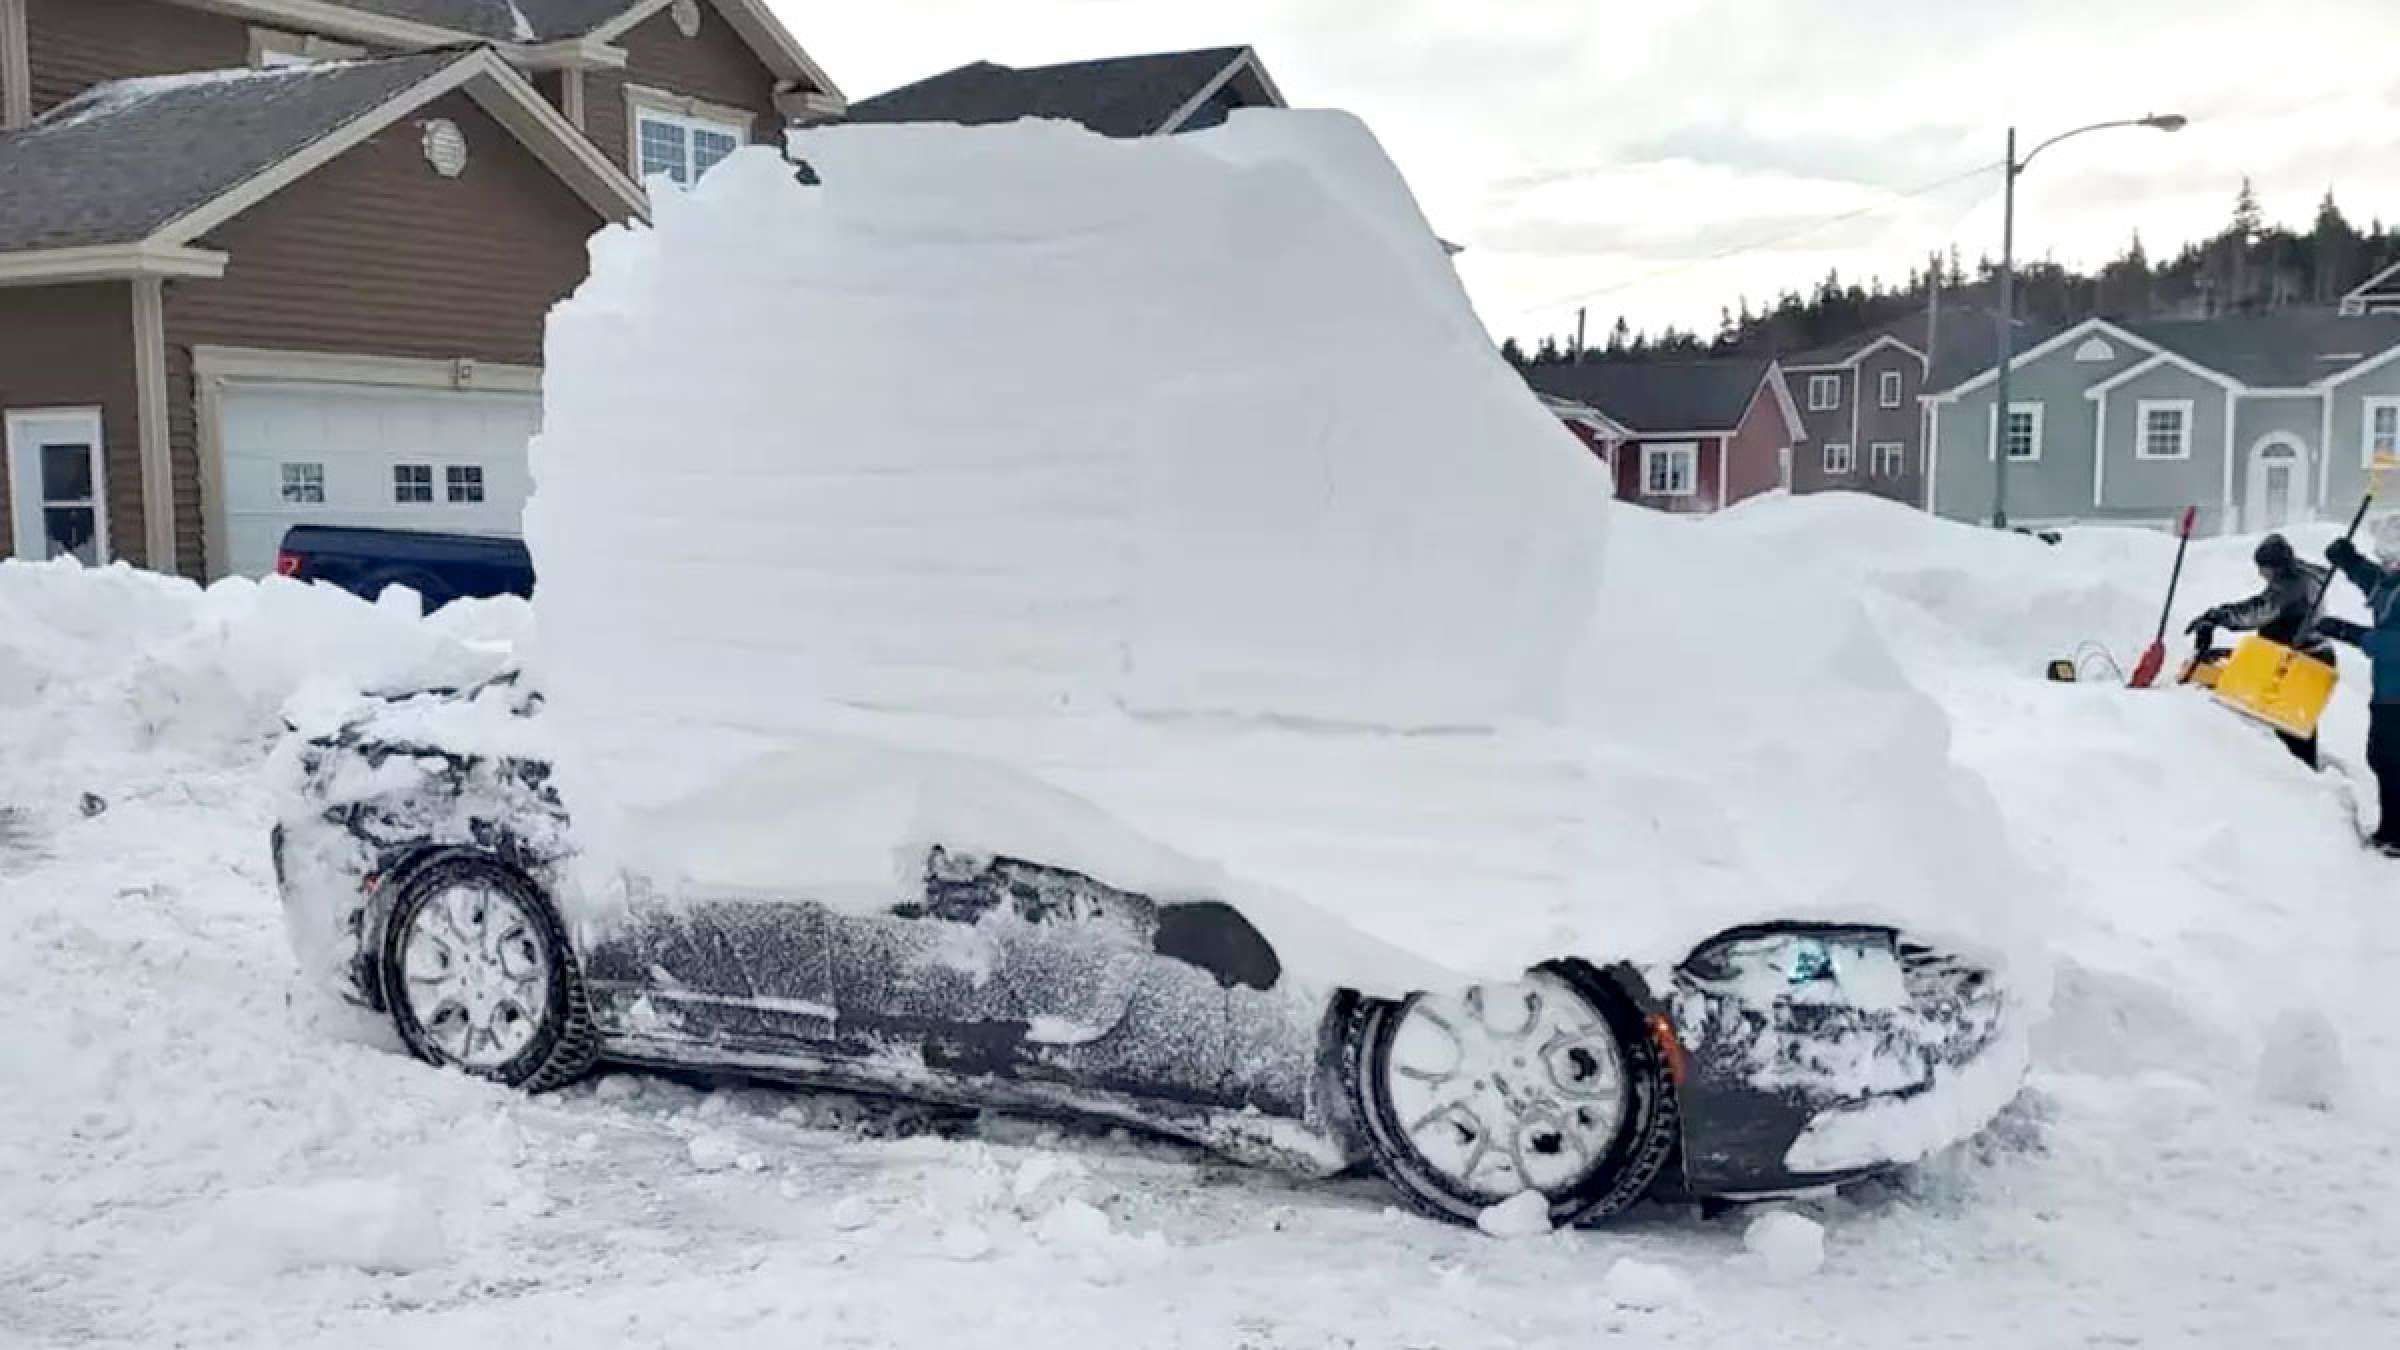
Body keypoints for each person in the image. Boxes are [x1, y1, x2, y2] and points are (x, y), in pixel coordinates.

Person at [2186, 533, 2335, 768]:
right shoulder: (2306, 576)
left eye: (2263, 568)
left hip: (2301, 662)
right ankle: (2303, 777)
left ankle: (2299, 786)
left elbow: (2258, 611)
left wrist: (2216, 617)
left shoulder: (2290, 585)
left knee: (2290, 734)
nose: (2261, 574)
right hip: (2310, 657)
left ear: (2275, 566)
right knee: (2295, 729)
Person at [2319, 524, 2400, 856]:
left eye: (2390, 559)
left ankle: (2396, 834)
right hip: (2387, 691)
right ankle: (2390, 828)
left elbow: (2393, 645)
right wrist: (2349, 561)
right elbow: (2376, 584)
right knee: (2381, 757)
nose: (2384, 565)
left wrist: (2346, 631)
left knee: (2394, 761)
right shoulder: (2392, 582)